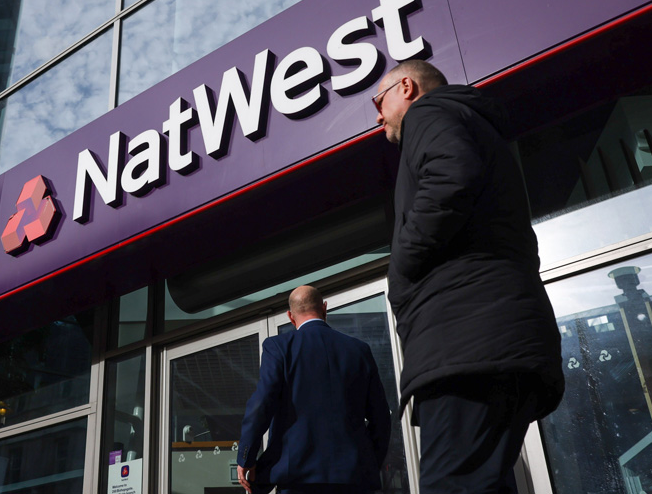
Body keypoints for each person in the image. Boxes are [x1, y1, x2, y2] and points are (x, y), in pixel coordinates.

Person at [373, 60, 563, 493]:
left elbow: (452, 174)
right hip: (488, 341)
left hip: (468, 344)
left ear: (407, 87)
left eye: (378, 102)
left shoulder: (428, 112)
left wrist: (403, 261)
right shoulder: (468, 122)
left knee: (452, 485)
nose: (377, 116)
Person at [236, 285, 391, 494]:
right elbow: (381, 418)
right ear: (324, 308)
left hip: (297, 478)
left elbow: (262, 403)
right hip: (353, 478)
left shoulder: (278, 347)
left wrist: (246, 457)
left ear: (290, 316)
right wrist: (367, 463)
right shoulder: (359, 350)